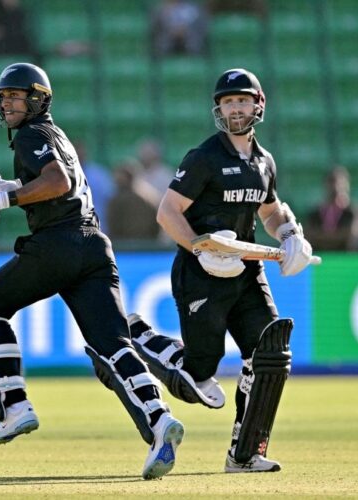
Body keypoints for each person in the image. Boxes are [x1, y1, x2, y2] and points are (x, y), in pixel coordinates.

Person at [0, 62, 184, 480]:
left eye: (14, 96)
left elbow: (57, 182)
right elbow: (60, 183)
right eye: (3, 97)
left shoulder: (31, 134)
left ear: (37, 99)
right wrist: (5, 189)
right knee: (112, 346)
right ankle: (158, 420)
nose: (6, 103)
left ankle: (14, 406)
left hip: (58, 244)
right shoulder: (55, 134)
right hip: (95, 245)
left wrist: (6, 201)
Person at [126, 68, 315, 473]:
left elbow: (268, 209)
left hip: (246, 273)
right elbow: (167, 212)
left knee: (270, 354)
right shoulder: (204, 158)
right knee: (200, 374)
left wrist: (288, 232)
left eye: (242, 100)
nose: (235, 109)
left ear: (258, 104)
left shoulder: (264, 162)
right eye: (228, 102)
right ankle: (138, 336)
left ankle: (244, 455)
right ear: (219, 110)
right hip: (201, 274)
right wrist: (197, 246)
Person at [303, 166, 358, 251]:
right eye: (331, 182)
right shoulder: (314, 213)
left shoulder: (353, 211)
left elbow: (352, 236)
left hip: (346, 260)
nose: (335, 187)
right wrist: (337, 235)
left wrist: (321, 236)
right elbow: (308, 235)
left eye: (340, 183)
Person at [106, 158, 162, 243]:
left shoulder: (117, 200)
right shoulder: (151, 196)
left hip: (124, 248)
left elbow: (113, 227)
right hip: (148, 247)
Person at [75, 141, 114, 234]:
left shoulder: (99, 175)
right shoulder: (61, 176)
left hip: (99, 228)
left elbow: (110, 200)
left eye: (80, 151)